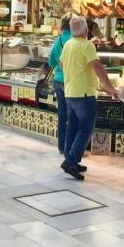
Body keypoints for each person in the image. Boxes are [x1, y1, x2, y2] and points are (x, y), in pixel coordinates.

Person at [59, 16, 118, 181]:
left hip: (70, 92)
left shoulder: (68, 44)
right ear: (86, 30)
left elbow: (62, 64)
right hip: (85, 94)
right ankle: (70, 161)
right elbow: (97, 66)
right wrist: (109, 87)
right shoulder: (87, 45)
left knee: (73, 128)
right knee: (85, 129)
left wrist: (73, 76)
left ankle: (71, 158)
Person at [48, 14, 72, 154]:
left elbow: (50, 62)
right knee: (73, 115)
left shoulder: (59, 40)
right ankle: (70, 146)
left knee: (62, 114)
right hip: (71, 81)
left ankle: (61, 146)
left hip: (58, 80)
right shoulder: (75, 39)